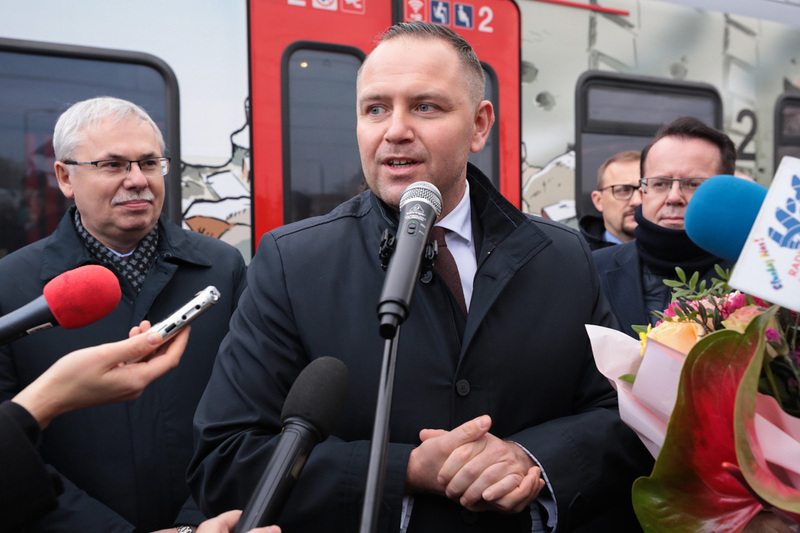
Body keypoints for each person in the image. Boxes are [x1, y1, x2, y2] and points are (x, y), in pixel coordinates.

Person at [189, 22, 651, 532]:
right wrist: (404, 470)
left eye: (425, 107)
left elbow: (621, 417)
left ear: (479, 126)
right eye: (375, 108)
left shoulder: (561, 256)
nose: (395, 130)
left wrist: (531, 459)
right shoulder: (290, 262)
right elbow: (225, 458)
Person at [0, 97, 248, 532]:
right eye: (113, 165)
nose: (138, 181)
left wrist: (194, 524)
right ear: (65, 177)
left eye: (150, 163)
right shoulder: (10, 288)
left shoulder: (224, 268)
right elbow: (12, 452)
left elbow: (251, 411)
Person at [593, 117, 735, 338]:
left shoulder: (755, 279)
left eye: (693, 184)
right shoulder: (593, 270)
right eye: (660, 184)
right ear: (642, 194)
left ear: (726, 192)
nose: (674, 197)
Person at [579, 150, 642, 250]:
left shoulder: (674, 254)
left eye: (645, 189)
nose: (637, 201)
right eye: (623, 190)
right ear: (598, 201)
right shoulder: (576, 258)